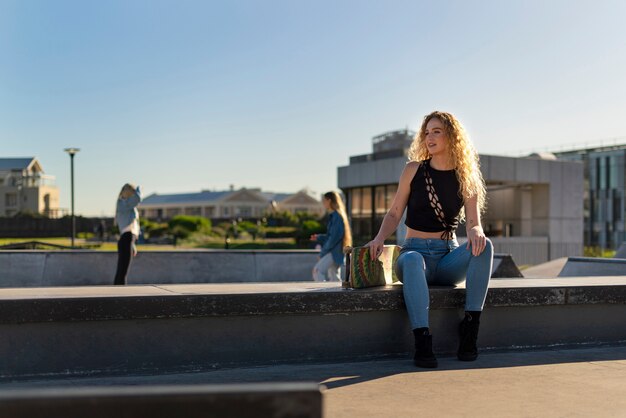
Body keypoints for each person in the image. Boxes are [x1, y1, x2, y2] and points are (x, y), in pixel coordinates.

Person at [366, 111, 493, 368]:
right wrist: (379, 237)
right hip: (414, 255)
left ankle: (470, 327)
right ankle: (422, 340)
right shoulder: (413, 170)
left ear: (452, 137)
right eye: (426, 132)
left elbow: (472, 222)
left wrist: (477, 231)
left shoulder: (465, 177)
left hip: (448, 258)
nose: (429, 137)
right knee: (411, 259)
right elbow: (394, 212)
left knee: (485, 246)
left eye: (437, 131)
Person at [310, 191, 353, 282]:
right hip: (336, 252)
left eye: (324, 200)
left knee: (317, 271)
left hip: (334, 252)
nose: (323, 203)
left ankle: (323, 294)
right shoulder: (337, 216)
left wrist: (322, 254)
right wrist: (319, 237)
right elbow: (332, 235)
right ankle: (335, 295)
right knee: (334, 277)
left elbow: (333, 239)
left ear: (329, 201)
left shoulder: (336, 216)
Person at [114, 183, 142, 285]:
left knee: (122, 271)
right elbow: (138, 199)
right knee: (122, 272)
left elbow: (132, 226)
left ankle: (117, 296)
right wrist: (139, 189)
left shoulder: (126, 205)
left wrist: (133, 244)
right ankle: (119, 296)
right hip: (126, 239)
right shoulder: (123, 203)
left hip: (127, 239)